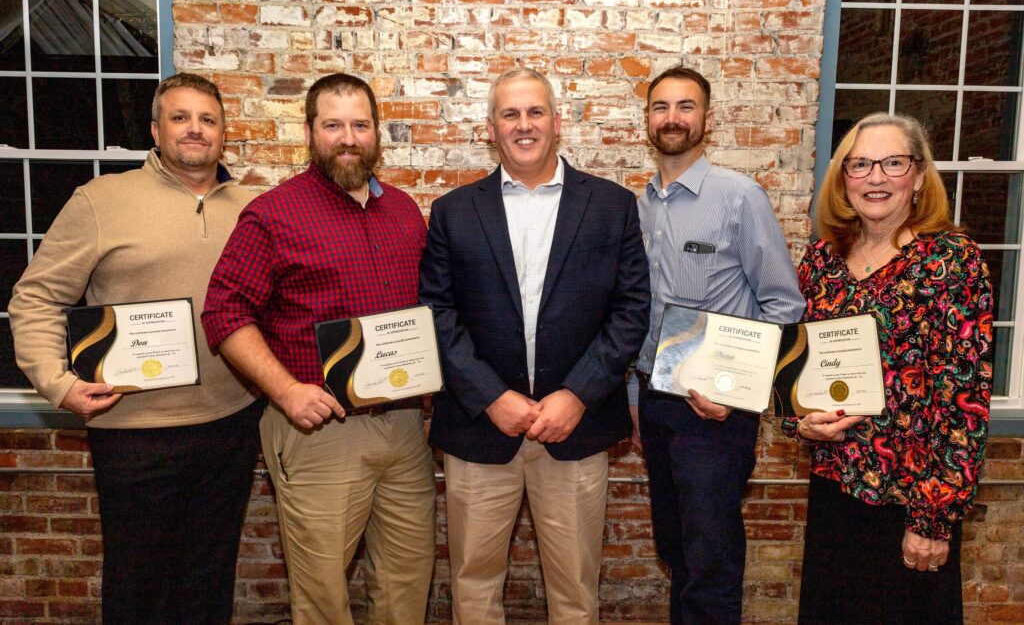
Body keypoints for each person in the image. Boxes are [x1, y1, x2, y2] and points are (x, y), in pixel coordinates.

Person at [8, 73, 261, 624]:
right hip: (133, 430)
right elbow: (36, 297)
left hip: (230, 424)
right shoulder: (102, 200)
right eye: (180, 117)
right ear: (154, 129)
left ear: (224, 133)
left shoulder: (254, 208)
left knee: (209, 580)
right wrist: (58, 382)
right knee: (138, 584)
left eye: (208, 119)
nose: (195, 129)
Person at [201, 73, 435, 625]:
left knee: (406, 584)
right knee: (323, 595)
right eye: (333, 125)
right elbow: (224, 312)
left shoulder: (403, 210)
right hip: (320, 430)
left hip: (404, 427)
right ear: (309, 133)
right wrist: (286, 392)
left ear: (377, 133)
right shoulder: (274, 213)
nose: (348, 138)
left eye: (360, 125)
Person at [419, 67, 650, 624]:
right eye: (510, 114)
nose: (524, 125)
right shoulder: (453, 211)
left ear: (557, 121)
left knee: (575, 590)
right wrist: (490, 396)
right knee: (474, 585)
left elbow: (631, 310)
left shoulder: (612, 205)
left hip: (575, 429)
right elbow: (436, 312)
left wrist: (578, 394)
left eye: (535, 112)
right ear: (490, 129)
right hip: (480, 428)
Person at [786, 112, 992, 624]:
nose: (875, 178)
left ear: (919, 176)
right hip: (836, 486)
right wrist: (800, 422)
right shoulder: (821, 260)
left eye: (893, 163)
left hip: (912, 497)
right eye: (860, 165)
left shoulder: (952, 261)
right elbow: (797, 363)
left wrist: (933, 520)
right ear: (844, 178)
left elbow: (965, 401)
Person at [631, 66, 805, 624]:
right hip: (655, 403)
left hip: (715, 415)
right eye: (661, 107)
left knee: (711, 563)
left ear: (708, 120)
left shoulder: (739, 198)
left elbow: (784, 304)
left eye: (686, 106)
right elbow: (638, 313)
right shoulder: (639, 206)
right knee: (676, 549)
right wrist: (635, 400)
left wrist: (737, 392)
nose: (673, 118)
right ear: (647, 120)